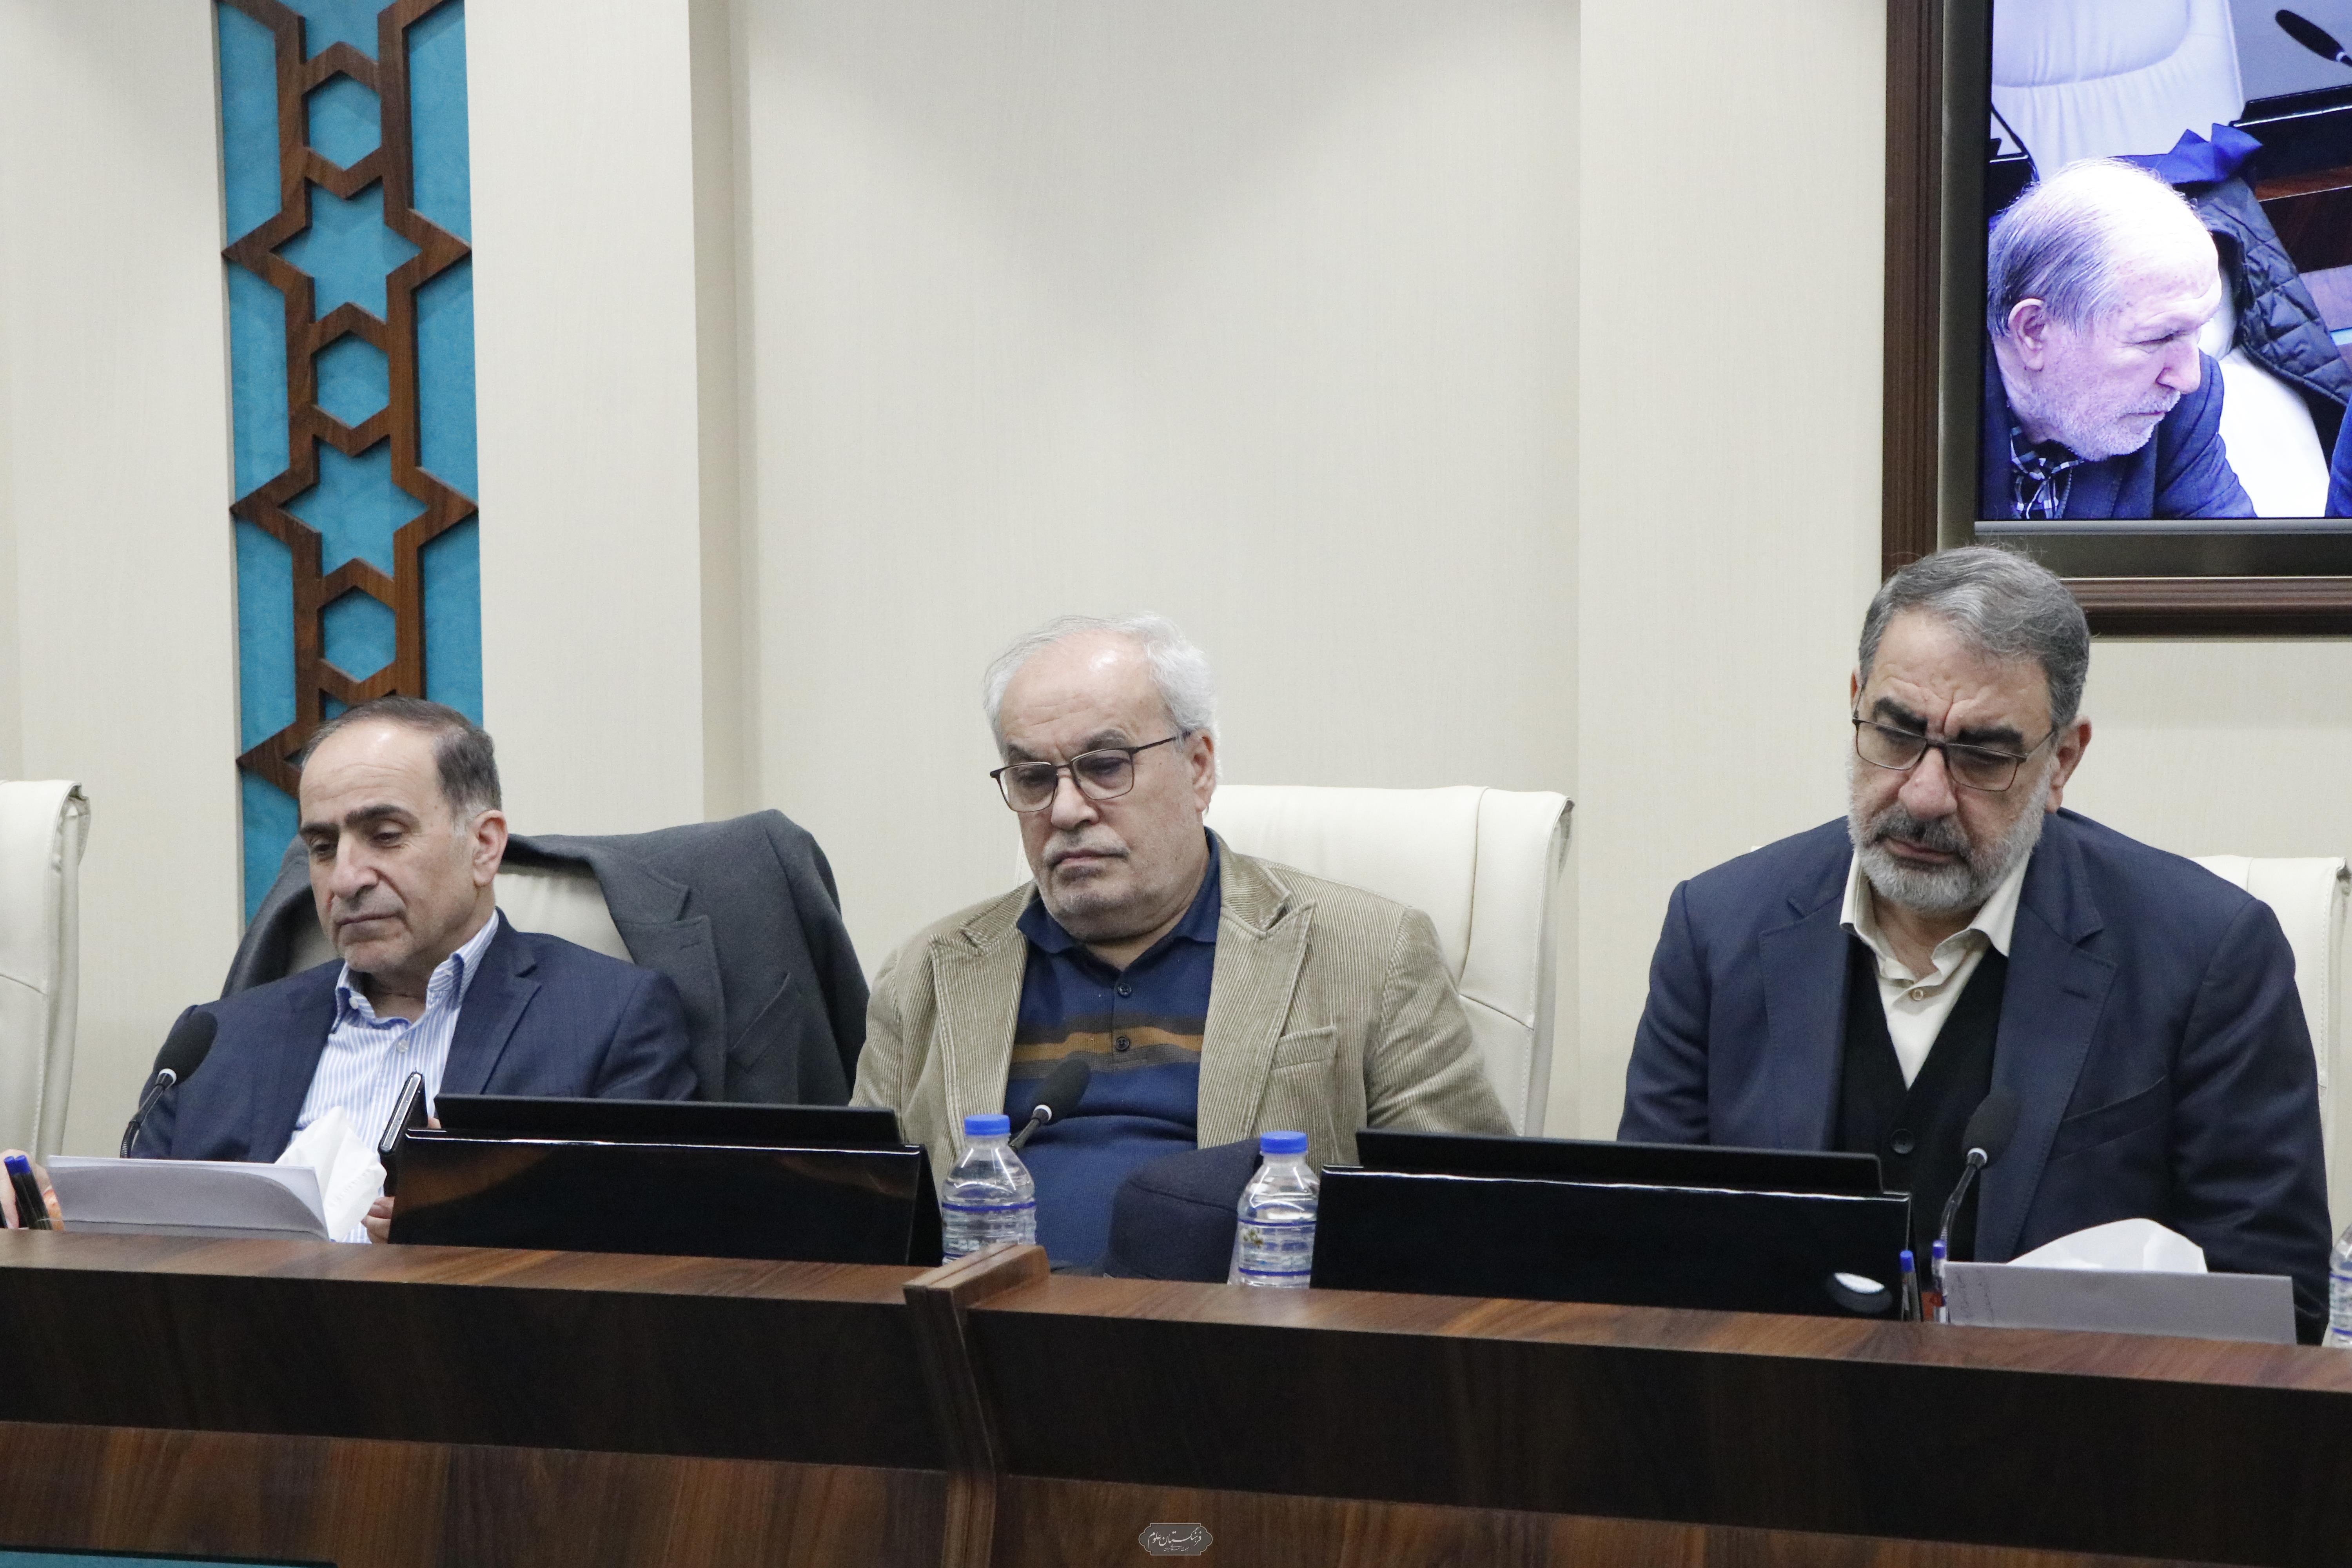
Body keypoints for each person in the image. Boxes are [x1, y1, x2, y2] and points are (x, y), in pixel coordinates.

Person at [1619, 547, 2330, 1336]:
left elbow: (2277, 1307)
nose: (1926, 794)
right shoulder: (1716, 930)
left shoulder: (2208, 956)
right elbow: (1641, 1258)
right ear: (1856, 704)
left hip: (2073, 1410)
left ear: (2061, 762)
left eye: (1983, 756)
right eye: (1897, 734)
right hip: (1778, 1404)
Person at [852, 613, 1510, 1268]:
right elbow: (858, 1238)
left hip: (1240, 1328)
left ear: (1198, 768)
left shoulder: (1372, 953)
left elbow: (1471, 1226)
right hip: (984, 1327)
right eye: (1033, 779)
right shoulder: (926, 975)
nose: (1067, 809)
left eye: (1105, 767)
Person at [132, 697, 695, 1239]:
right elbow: (132, 1242)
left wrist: (474, 1231)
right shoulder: (214, 1042)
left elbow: (653, 1240)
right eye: (323, 848)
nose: (346, 879)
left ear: (483, 846)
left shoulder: (609, 1019)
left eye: (385, 837)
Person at [1980, 159, 2252, 522]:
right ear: (2034, 330)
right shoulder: (1920, 419)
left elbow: (2231, 554)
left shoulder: (2186, 410)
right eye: (2160, 337)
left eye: (2197, 329)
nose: (2189, 379)